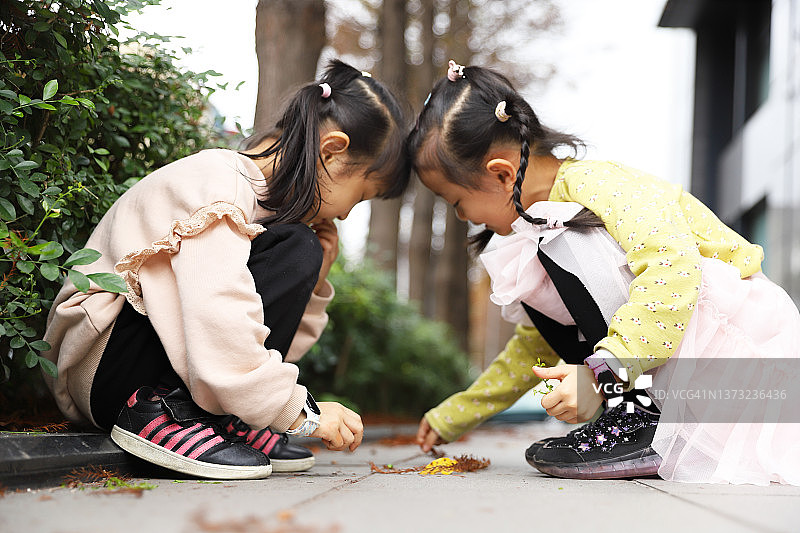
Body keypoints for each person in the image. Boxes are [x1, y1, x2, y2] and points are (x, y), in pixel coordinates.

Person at [408, 60, 800, 485]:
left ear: (502, 175)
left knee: (563, 241)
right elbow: (536, 344)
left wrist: (603, 375)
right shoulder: (541, 226)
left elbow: (671, 266)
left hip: (736, 349)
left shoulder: (594, 187)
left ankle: (637, 415)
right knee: (539, 262)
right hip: (681, 359)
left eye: (455, 201)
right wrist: (458, 412)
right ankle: (631, 412)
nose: (463, 216)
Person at [42, 60, 410, 480]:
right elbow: (214, 309)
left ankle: (213, 414)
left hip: (129, 360)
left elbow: (258, 337)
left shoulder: (263, 209)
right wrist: (296, 410)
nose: (345, 214)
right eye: (361, 196)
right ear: (332, 151)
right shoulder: (221, 181)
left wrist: (316, 276)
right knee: (298, 246)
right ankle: (164, 411)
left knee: (300, 248)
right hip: (104, 368)